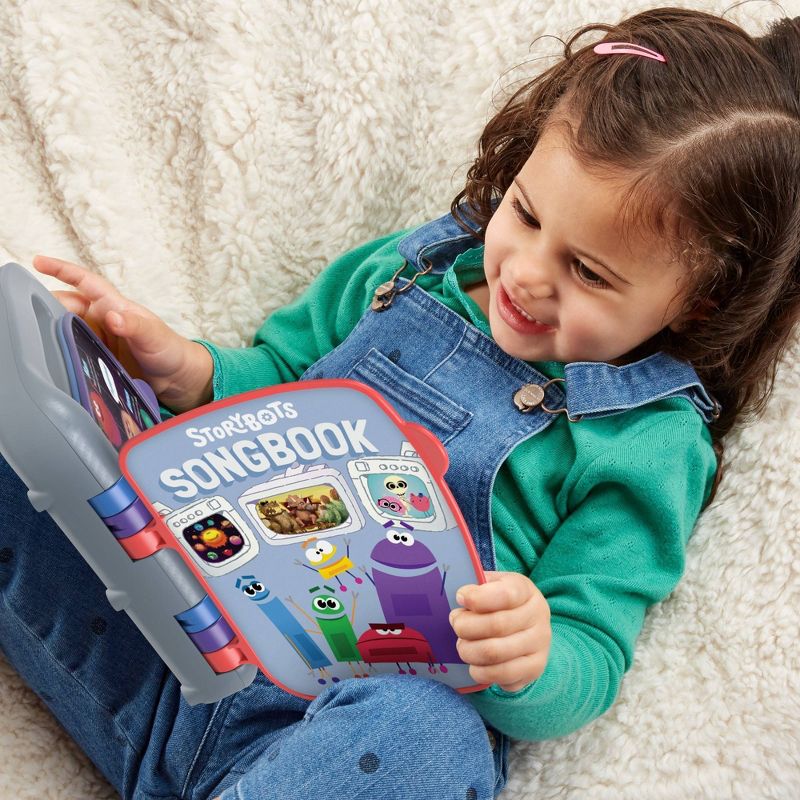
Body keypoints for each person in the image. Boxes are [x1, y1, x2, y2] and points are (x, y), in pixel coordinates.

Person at [1, 7, 799, 799]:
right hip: (171, 633)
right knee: (31, 450)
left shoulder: (650, 441)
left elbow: (591, 651)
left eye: (588, 272)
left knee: (427, 734)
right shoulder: (415, 269)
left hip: (334, 737)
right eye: (525, 214)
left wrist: (531, 656)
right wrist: (187, 371)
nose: (526, 274)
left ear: (698, 302)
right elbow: (281, 374)